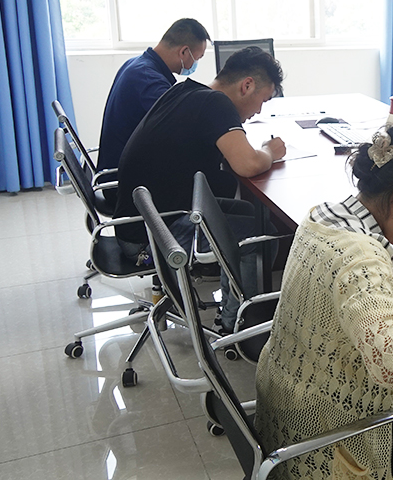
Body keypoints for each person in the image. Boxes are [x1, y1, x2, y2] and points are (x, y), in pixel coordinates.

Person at [255, 127, 393, 480]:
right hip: (328, 441)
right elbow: (392, 365)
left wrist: (391, 267)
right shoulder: (364, 261)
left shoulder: (322, 215)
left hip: (282, 413)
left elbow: (342, 265)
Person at [113, 46, 286, 331]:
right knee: (261, 236)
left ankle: (233, 307)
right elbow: (247, 164)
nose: (258, 111)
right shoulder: (216, 105)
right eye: (263, 100)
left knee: (250, 214)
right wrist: (269, 150)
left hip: (142, 220)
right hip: (152, 236)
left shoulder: (189, 91)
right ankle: (239, 326)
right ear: (247, 86)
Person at [96, 18, 210, 196]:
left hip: (121, 171)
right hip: (127, 186)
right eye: (198, 58)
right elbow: (182, 130)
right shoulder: (149, 80)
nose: (195, 64)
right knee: (215, 178)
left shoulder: (138, 65)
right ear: (184, 52)